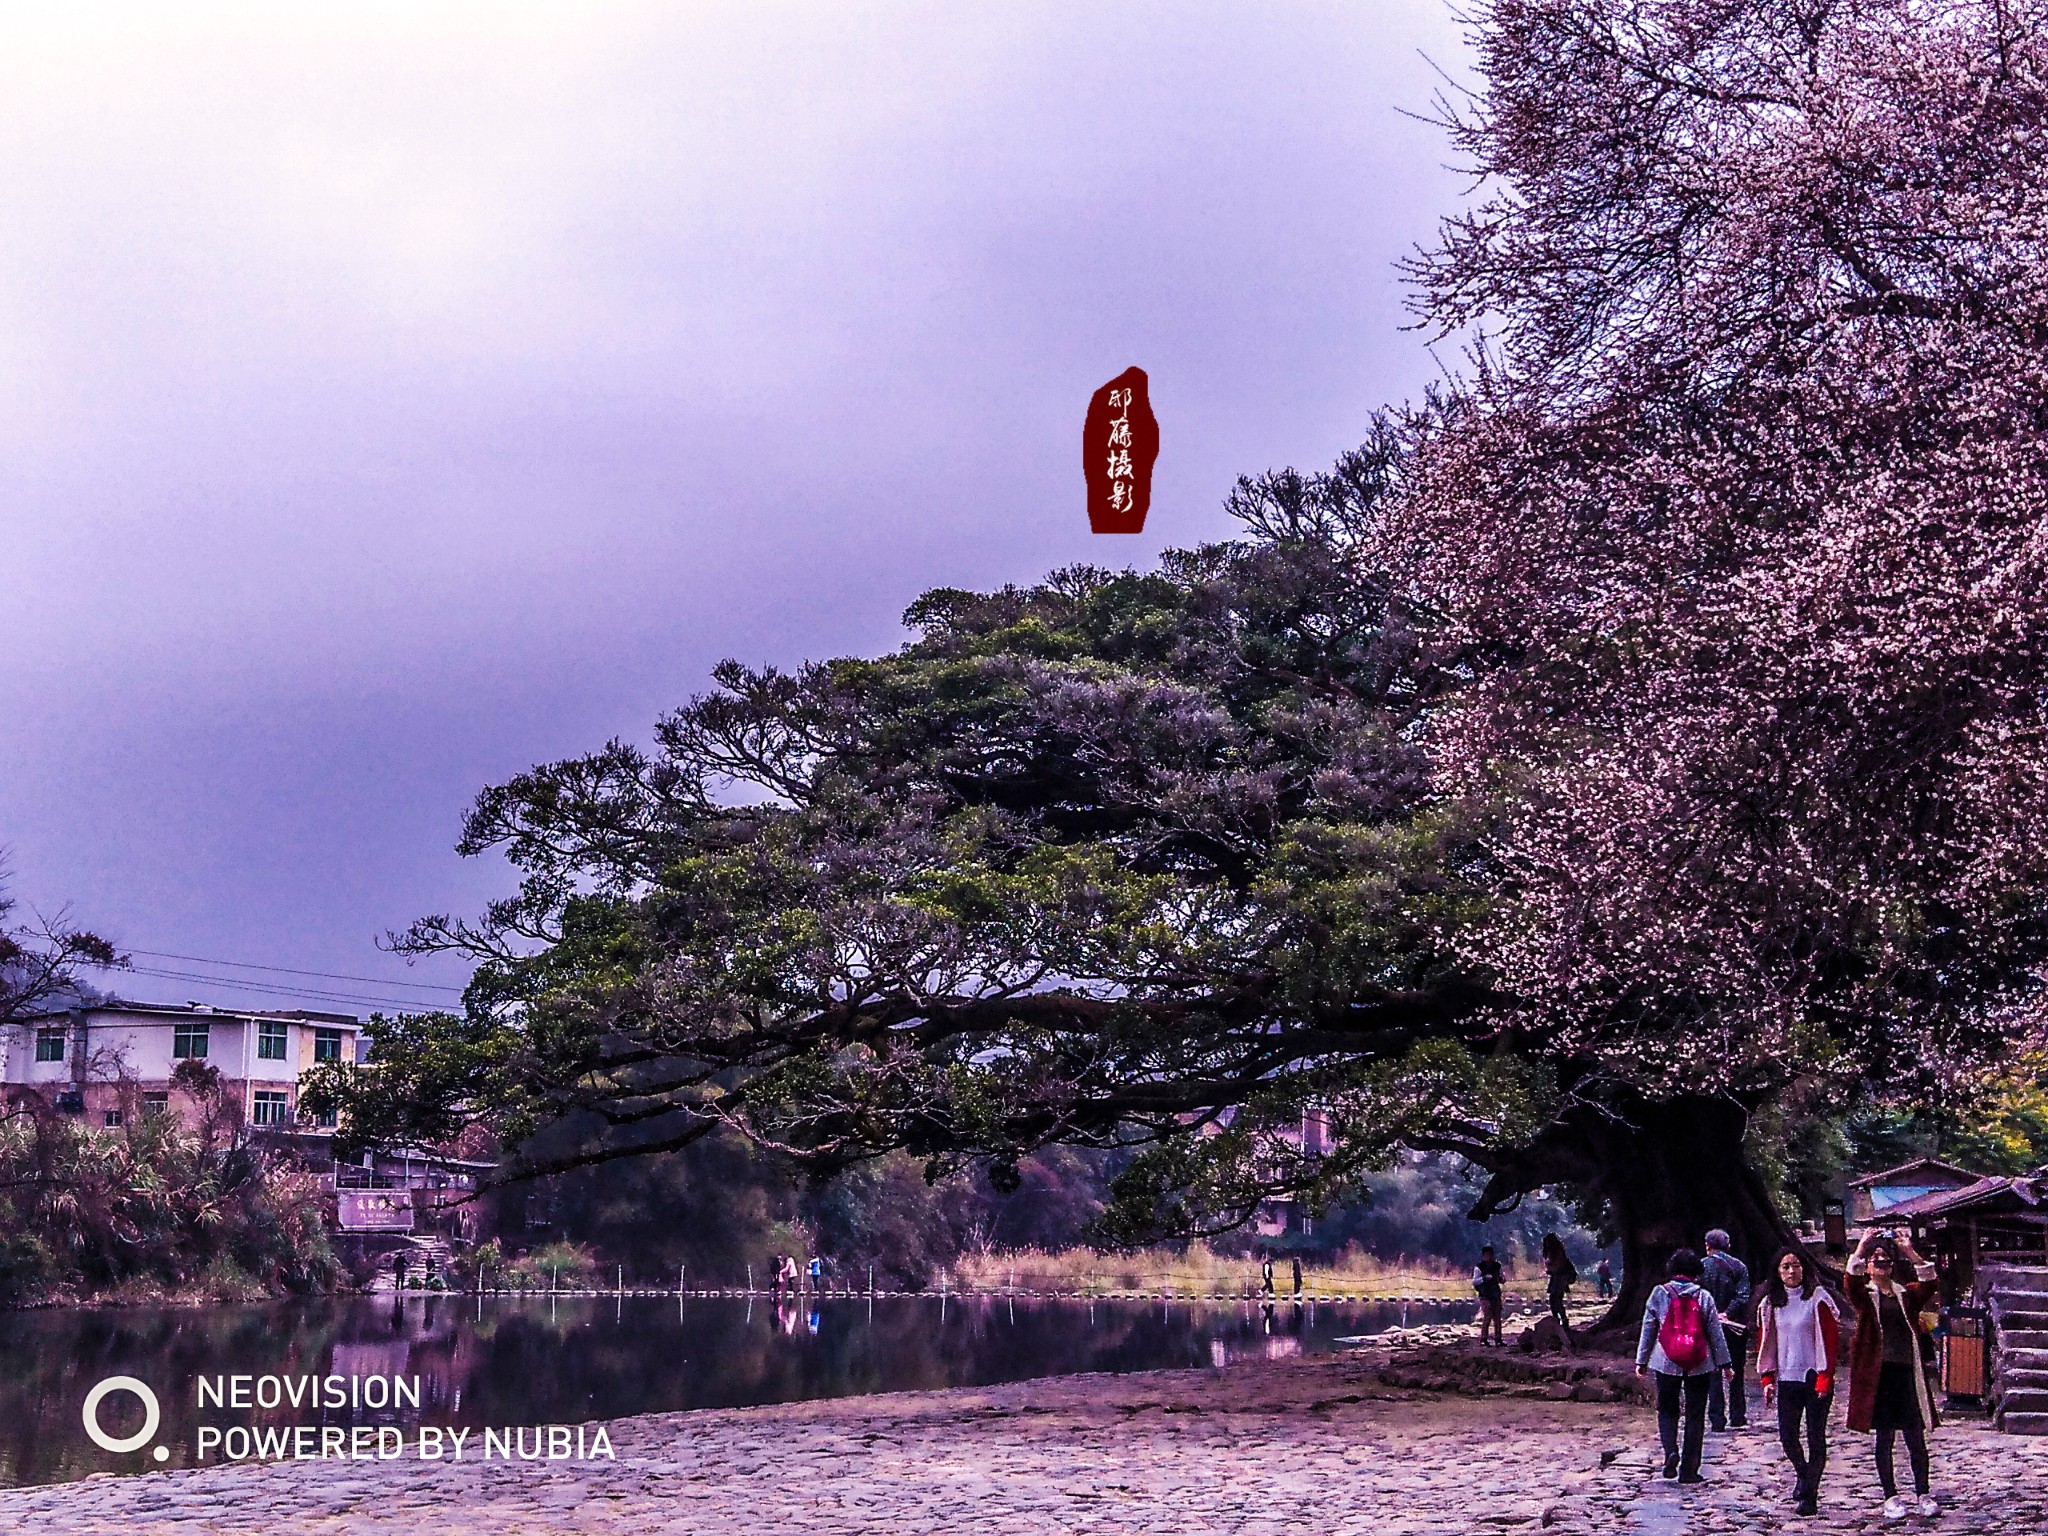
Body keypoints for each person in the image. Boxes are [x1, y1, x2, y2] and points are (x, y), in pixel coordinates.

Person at [1846, 1230, 1941, 1522]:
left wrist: (1910, 1251)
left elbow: (1930, 1282)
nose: (1881, 1266)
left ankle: (1923, 1493)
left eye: (1886, 1262)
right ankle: (1890, 1496)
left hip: (1906, 1373)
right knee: (1884, 1438)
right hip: (1879, 1376)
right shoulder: (1865, 1296)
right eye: (1876, 1262)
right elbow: (1849, 1282)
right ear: (1869, 1267)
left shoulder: (1906, 1294)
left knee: (1915, 1436)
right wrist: (1861, 1248)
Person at [1636, 1247, 1735, 1484]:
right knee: (1695, 1414)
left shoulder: (1659, 1293)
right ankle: (1689, 1469)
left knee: (1667, 1410)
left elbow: (1648, 1328)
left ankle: (1670, 1450)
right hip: (1699, 1362)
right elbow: (1715, 1333)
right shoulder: (1703, 1296)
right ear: (1696, 1273)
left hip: (1665, 1361)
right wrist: (1726, 1364)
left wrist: (1642, 1360)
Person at [1756, 1246, 1841, 1518]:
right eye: (1786, 1267)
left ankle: (1810, 1495)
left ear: (1804, 1268)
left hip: (1814, 1376)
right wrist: (1767, 1378)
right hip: (1788, 1378)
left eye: (1796, 1266)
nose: (1792, 1272)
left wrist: (1825, 1378)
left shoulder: (1817, 1299)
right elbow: (1766, 1342)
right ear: (1778, 1272)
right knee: (1788, 1436)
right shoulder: (1771, 1303)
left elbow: (1829, 1340)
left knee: (1816, 1437)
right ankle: (1804, 1474)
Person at [1701, 1228, 1754, 1431]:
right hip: (1735, 1328)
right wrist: (1728, 1313)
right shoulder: (1739, 1266)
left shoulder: (1700, 1267)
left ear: (1707, 1246)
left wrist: (1713, 1315)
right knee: (1736, 1370)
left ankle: (1716, 1419)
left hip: (1708, 1327)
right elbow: (1743, 1296)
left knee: (1712, 1371)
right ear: (1728, 1245)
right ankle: (1738, 1415)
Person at [1472, 1244, 1506, 1346]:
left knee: (1497, 1317)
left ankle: (1498, 1339)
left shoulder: (1497, 1266)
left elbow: (1502, 1278)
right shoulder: (1479, 1268)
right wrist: (1484, 1278)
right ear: (1483, 1256)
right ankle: (1483, 1339)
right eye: (1487, 1255)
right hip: (1485, 1294)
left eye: (1491, 1255)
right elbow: (1474, 1281)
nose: (1490, 1257)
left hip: (1495, 1293)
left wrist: (1501, 1279)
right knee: (1487, 1316)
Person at [1542, 1232, 1577, 1328]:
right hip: (1558, 1278)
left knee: (1556, 1301)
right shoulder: (1557, 1252)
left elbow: (1557, 1266)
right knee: (1555, 1301)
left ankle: (1561, 1321)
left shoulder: (1557, 1252)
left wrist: (1551, 1269)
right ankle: (1559, 1320)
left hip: (1559, 1279)